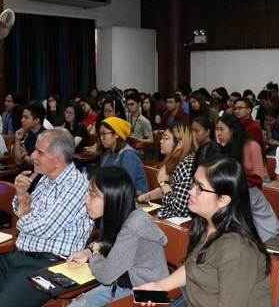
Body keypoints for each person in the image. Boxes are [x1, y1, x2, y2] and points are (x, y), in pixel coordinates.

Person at [0, 128, 94, 306]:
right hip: (19, 254)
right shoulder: (46, 178)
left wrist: (24, 213)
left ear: (58, 160)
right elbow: (24, 211)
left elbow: (43, 227)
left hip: (51, 265)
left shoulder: (76, 187)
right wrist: (21, 194)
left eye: (40, 152)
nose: (33, 155)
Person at [135, 156, 273, 307]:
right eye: (194, 183)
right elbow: (194, 267)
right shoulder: (207, 225)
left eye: (199, 187)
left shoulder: (237, 250)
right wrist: (160, 286)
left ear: (223, 200)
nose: (191, 191)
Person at [66, 166, 169, 307]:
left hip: (143, 296)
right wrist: (88, 252)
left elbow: (105, 276)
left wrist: (95, 255)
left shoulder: (132, 227)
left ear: (112, 198)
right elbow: (103, 242)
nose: (86, 200)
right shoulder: (119, 215)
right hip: (122, 285)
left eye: (93, 195)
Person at [216, 114, 279, 241]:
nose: (218, 133)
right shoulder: (224, 147)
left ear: (232, 130)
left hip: (252, 188)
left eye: (221, 129)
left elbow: (259, 177)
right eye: (216, 129)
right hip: (236, 189)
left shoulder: (251, 145)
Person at [138, 122, 197, 219]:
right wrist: (150, 195)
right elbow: (172, 190)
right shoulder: (177, 161)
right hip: (168, 217)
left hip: (177, 222)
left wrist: (163, 183)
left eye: (166, 138)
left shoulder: (187, 165)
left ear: (179, 144)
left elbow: (180, 208)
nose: (161, 141)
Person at [98, 117, 149, 195]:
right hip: (113, 194)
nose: (101, 138)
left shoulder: (129, 156)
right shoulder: (108, 153)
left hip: (135, 199)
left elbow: (126, 186)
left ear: (116, 134)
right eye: (100, 134)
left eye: (104, 134)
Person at [13, 102, 47, 171]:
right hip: (25, 173)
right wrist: (17, 140)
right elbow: (18, 161)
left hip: (38, 176)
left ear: (37, 120)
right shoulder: (29, 136)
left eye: (26, 118)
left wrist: (24, 155)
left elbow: (36, 162)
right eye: (22, 117)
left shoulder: (45, 137)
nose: (22, 120)